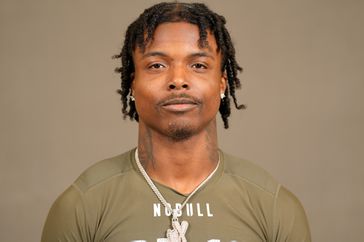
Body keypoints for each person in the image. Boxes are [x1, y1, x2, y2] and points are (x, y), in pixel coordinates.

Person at [41, 2, 311, 242]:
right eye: (157, 65)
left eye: (199, 65)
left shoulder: (273, 206)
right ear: (132, 84)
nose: (178, 80)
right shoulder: (83, 204)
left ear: (222, 84)